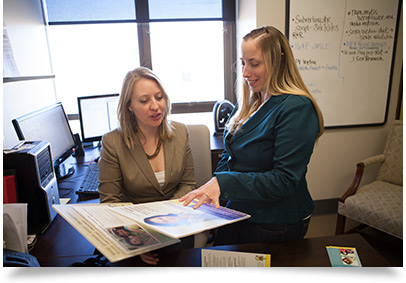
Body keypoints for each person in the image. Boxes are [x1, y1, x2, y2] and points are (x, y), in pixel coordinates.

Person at [180, 26, 324, 245]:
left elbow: (283, 180)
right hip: (237, 211)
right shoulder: (251, 103)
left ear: (280, 61)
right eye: (243, 63)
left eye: (254, 63)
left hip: (273, 222)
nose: (245, 73)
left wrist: (224, 183)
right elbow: (230, 155)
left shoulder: (296, 108)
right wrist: (214, 189)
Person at [98, 67, 196, 264]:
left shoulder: (180, 133)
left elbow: (188, 184)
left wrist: (167, 221)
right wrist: (137, 241)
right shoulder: (113, 142)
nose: (156, 106)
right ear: (129, 106)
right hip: (135, 233)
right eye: (144, 101)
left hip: (176, 224)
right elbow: (110, 202)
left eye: (159, 97)